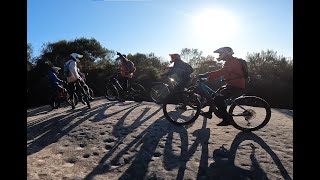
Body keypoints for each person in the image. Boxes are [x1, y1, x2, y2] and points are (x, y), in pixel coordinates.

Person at [199, 47, 246, 126]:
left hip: (236, 86)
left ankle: (227, 119)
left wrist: (206, 75)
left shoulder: (233, 62)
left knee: (218, 99)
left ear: (226, 53)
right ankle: (209, 113)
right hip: (231, 85)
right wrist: (208, 78)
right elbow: (222, 73)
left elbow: (221, 72)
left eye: (221, 54)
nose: (220, 55)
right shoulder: (229, 62)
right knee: (214, 95)